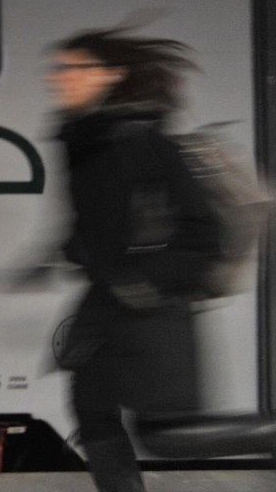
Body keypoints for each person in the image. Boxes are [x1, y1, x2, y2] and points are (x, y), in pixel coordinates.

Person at [41, 26, 221, 492]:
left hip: (146, 307)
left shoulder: (141, 142)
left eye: (74, 68)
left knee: (161, 429)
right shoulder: (84, 140)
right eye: (58, 68)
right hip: (109, 306)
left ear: (112, 75)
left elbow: (204, 233)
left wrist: (145, 282)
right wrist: (60, 253)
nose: (60, 78)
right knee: (92, 405)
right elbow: (96, 227)